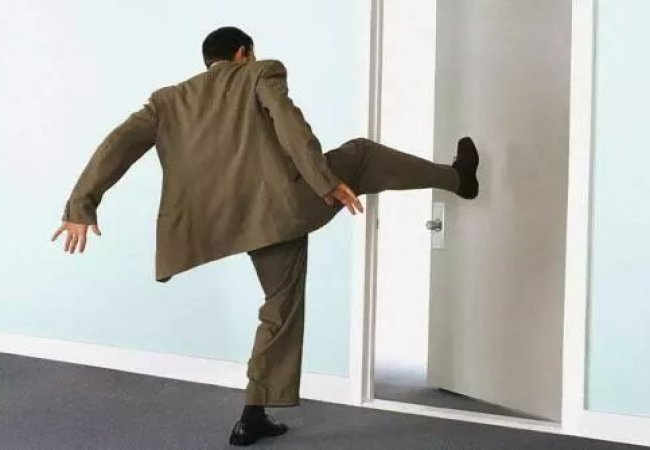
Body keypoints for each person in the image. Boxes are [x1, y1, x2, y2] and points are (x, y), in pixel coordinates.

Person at [51, 26, 479, 447]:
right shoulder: (260, 73)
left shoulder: (167, 101)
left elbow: (116, 144)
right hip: (280, 209)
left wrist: (81, 206)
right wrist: (326, 181)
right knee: (362, 156)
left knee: (280, 305)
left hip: (224, 222)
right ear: (244, 52)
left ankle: (252, 418)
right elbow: (291, 126)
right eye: (250, 54)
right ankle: (458, 179)